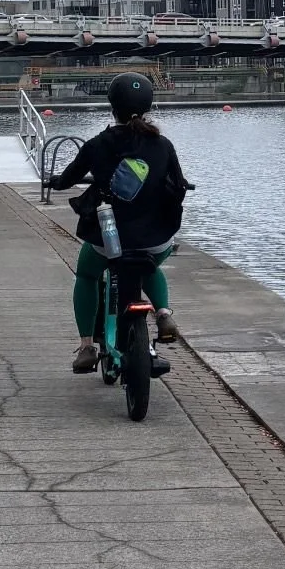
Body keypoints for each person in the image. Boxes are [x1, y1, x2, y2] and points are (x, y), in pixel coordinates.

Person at [48, 72, 189, 373]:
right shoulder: (162, 144)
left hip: (110, 238)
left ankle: (87, 345)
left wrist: (56, 182)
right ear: (149, 105)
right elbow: (178, 183)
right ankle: (163, 312)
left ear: (112, 105)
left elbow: (70, 176)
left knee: (87, 275)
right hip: (155, 236)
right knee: (150, 262)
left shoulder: (99, 143)